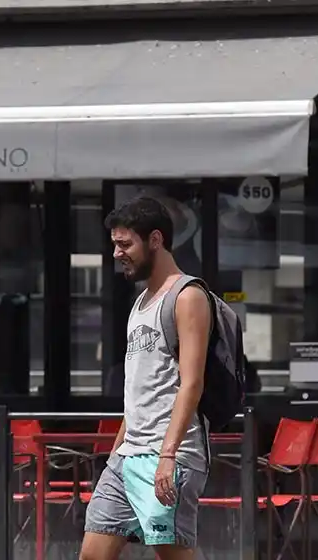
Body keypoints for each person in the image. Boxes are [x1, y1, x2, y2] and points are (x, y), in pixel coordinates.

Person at [80, 197, 211, 560]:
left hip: (169, 455)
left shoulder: (188, 297)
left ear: (155, 239)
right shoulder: (140, 303)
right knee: (92, 554)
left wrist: (168, 456)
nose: (117, 253)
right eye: (114, 245)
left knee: (173, 555)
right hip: (127, 457)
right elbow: (139, 388)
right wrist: (116, 452)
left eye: (125, 244)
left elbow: (192, 383)